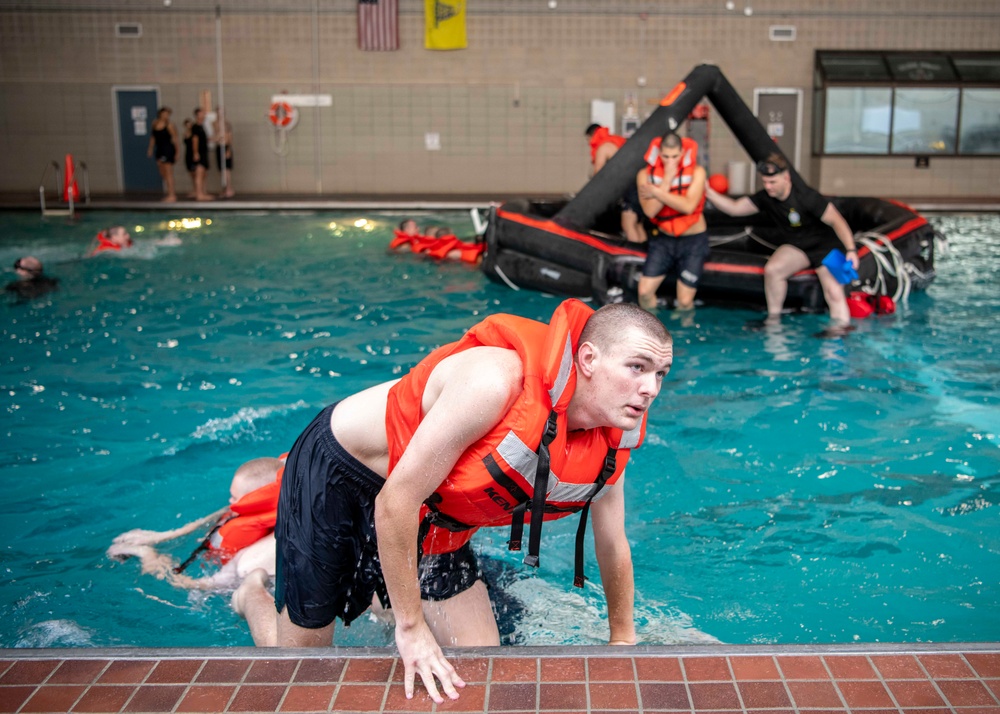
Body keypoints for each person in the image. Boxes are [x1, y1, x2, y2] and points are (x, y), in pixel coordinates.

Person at [233, 299, 673, 703]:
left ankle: (385, 597)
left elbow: (613, 543)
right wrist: (412, 628)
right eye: (637, 367)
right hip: (342, 471)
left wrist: (622, 641)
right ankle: (251, 592)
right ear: (589, 359)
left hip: (431, 504)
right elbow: (393, 502)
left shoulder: (612, 441)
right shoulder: (495, 381)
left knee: (480, 663)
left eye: (660, 374)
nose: (650, 387)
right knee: (303, 674)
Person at [705, 152, 858, 328]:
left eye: (773, 182)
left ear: (786, 178)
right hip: (798, 247)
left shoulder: (806, 196)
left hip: (825, 247)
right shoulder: (766, 198)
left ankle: (839, 330)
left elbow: (837, 220)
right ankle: (773, 320)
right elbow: (734, 209)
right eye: (765, 182)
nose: (768, 187)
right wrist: (709, 193)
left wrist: (851, 250)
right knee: (773, 270)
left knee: (833, 292)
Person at [107, 457, 285, 595]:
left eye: (236, 499)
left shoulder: (248, 560)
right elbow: (232, 510)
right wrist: (168, 535)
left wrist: (148, 555)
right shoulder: (272, 504)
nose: (231, 504)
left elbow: (187, 584)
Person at [635, 132, 710, 312]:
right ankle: (652, 333)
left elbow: (688, 206)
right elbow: (650, 210)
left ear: (683, 152)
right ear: (659, 153)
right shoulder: (644, 175)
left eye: (675, 156)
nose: (671, 161)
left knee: (684, 301)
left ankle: (683, 337)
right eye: (666, 156)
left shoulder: (698, 172)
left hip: (693, 240)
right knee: (644, 292)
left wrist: (657, 193)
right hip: (664, 240)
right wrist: (667, 179)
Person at [585, 124, 646, 245]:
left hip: (630, 188)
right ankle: (646, 256)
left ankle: (635, 258)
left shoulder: (603, 147)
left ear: (591, 136)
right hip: (642, 183)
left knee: (628, 224)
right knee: (638, 224)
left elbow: (598, 175)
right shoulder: (618, 141)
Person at [146, 107, 179, 202]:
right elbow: (153, 137)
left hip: (168, 149)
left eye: (168, 114)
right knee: (162, 172)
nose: (166, 116)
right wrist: (150, 149)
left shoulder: (169, 125)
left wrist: (177, 152)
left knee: (169, 172)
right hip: (159, 149)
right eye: (164, 114)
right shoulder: (155, 123)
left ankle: (172, 195)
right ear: (160, 114)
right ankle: (170, 191)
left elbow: (175, 139)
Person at [189, 108, 212, 201]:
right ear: (197, 115)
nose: (204, 115)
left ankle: (202, 192)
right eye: (202, 114)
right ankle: (199, 194)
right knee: (199, 173)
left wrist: (216, 139)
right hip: (199, 153)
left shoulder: (201, 126)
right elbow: (195, 140)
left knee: (203, 174)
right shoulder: (196, 127)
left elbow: (204, 140)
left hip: (203, 152)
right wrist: (195, 153)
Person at [214, 106, 235, 198]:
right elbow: (215, 136)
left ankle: (229, 188)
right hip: (219, 147)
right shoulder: (214, 124)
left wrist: (228, 149)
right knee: (221, 170)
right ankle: (224, 188)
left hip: (225, 147)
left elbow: (229, 138)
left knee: (226, 169)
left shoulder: (226, 124)